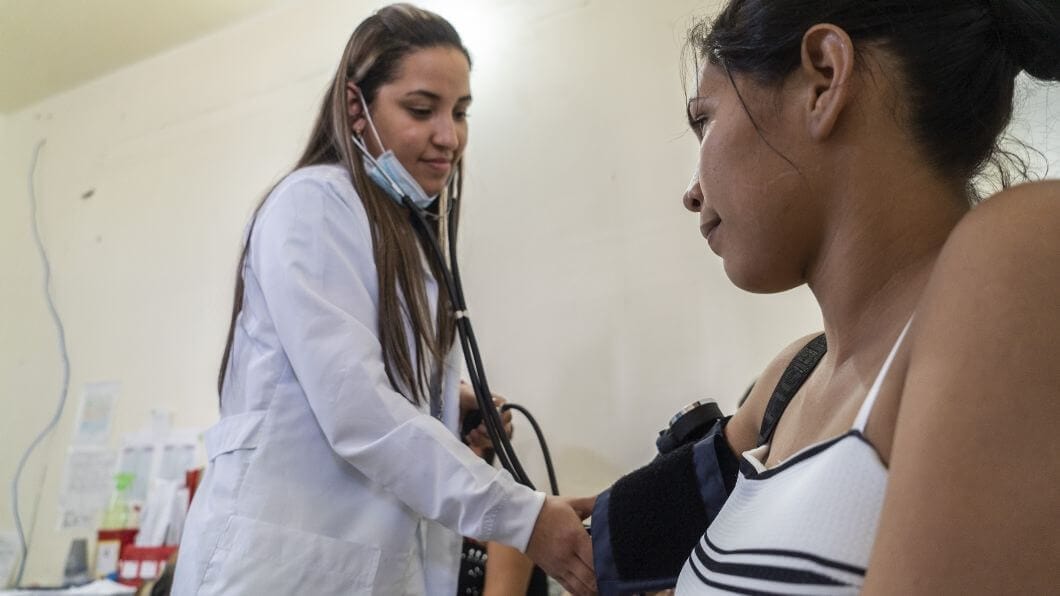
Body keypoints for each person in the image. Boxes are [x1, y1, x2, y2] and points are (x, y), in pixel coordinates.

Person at [170, 5, 595, 595]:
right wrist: (521, 519)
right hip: (277, 572)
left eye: (461, 112)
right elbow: (358, 410)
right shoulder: (314, 204)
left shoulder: (407, 239)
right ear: (356, 108)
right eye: (421, 110)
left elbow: (365, 391)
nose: (449, 136)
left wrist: (447, 405)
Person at [667, 0, 1060, 593]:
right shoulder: (793, 376)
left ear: (824, 79)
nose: (692, 194)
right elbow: (619, 529)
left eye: (706, 121)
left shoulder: (1027, 253)